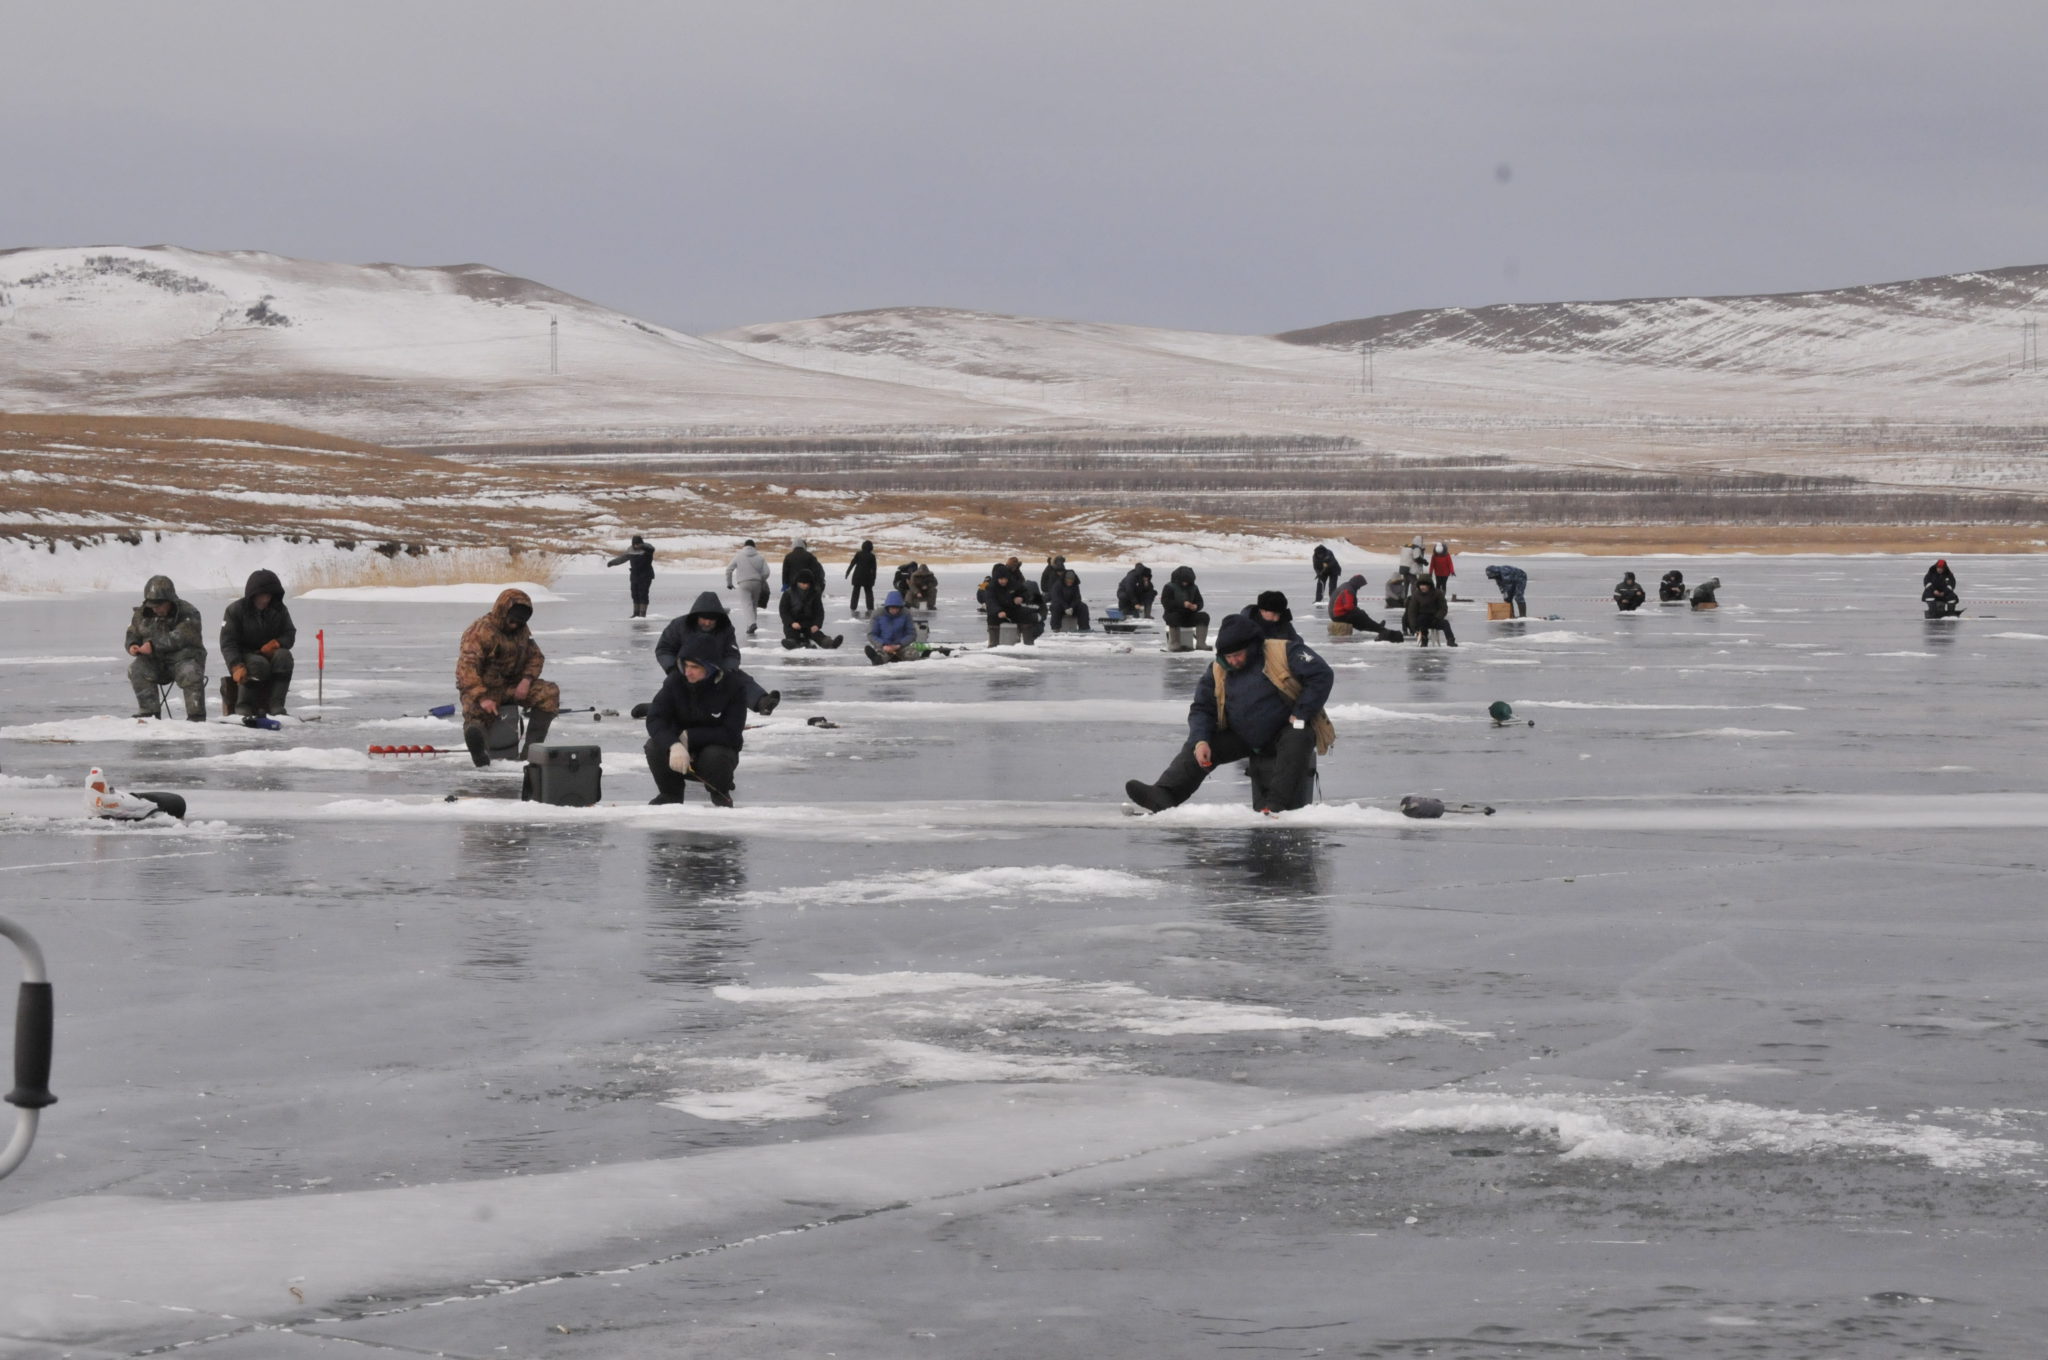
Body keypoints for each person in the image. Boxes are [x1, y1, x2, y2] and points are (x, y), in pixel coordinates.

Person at [1124, 611, 1336, 816]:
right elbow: (1202, 708)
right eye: (1229, 656)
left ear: (1251, 646)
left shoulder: (1283, 652)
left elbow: (1321, 675)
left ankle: (1276, 805)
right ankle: (1165, 793)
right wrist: (1200, 741)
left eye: (1238, 655)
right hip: (1243, 735)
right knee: (1202, 743)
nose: (1233, 661)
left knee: (1298, 738)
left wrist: (1301, 712)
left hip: (1285, 730)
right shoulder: (1218, 668)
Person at [642, 631, 747, 808]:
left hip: (715, 754)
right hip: (679, 753)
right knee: (654, 746)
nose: (688, 672)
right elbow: (655, 718)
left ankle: (720, 792)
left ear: (711, 667)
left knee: (715, 755)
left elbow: (732, 733)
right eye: (686, 665)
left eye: (695, 667)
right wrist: (673, 744)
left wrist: (691, 736)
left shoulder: (733, 687)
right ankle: (670, 794)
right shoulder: (675, 681)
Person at [455, 588, 559, 767]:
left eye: (520, 622)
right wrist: (482, 697)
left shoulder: (522, 630)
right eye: (512, 621)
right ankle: (479, 752)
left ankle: (531, 754)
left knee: (549, 693)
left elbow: (536, 657)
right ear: (503, 612)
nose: (515, 625)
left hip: (512, 686)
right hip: (485, 689)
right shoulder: (480, 631)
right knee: (475, 715)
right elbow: (466, 669)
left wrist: (526, 680)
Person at [656, 592, 780, 714]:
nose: (708, 623)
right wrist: (673, 668)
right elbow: (664, 649)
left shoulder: (725, 628)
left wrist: (727, 671)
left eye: (712, 620)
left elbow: (732, 653)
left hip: (713, 669)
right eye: (704, 619)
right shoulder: (679, 625)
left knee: (737, 678)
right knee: (675, 687)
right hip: (687, 669)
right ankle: (659, 707)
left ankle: (761, 701)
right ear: (696, 616)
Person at [124, 574, 208, 721]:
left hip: (183, 660)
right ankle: (149, 713)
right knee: (136, 668)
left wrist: (152, 645)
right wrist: (133, 645)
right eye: (153, 607)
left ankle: (196, 716)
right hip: (155, 663)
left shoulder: (189, 612)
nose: (156, 610)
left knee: (191, 672)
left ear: (170, 601)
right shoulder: (141, 614)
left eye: (159, 606)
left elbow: (181, 637)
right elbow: (132, 633)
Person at [218, 568, 296, 723]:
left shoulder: (279, 609)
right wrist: (236, 666)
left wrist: (277, 643)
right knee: (257, 663)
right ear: (252, 595)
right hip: (244, 655)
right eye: (261, 595)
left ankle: (276, 705)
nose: (265, 599)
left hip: (269, 654)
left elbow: (289, 633)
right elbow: (228, 643)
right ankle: (243, 706)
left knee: (284, 656)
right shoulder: (235, 610)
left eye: (269, 595)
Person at [983, 560, 1043, 646]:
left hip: (1013, 609)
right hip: (997, 613)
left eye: (1005, 579)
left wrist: (1021, 598)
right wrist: (998, 611)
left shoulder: (1013, 584)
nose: (1003, 581)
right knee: (992, 619)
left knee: (1028, 616)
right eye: (1001, 579)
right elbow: (991, 602)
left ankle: (1028, 644)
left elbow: (1025, 592)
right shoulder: (991, 587)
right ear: (997, 578)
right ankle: (993, 645)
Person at [779, 568, 841, 648]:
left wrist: (817, 624)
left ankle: (830, 643)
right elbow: (783, 611)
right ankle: (793, 644)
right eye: (803, 583)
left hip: (808, 624)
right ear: (798, 582)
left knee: (817, 634)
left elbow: (819, 612)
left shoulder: (814, 594)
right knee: (792, 635)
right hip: (793, 624)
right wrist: (791, 622)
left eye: (808, 583)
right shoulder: (788, 593)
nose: (806, 585)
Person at [1329, 574, 1399, 641]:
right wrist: (1358, 611)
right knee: (1362, 616)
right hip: (1339, 615)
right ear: (1357, 583)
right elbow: (1349, 607)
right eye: (1360, 585)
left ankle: (1377, 627)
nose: (1359, 588)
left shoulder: (1346, 586)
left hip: (1335, 614)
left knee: (1360, 619)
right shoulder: (1348, 590)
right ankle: (1380, 629)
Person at [725, 539, 772, 635]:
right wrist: (761, 579)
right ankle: (750, 625)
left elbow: (729, 570)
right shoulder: (760, 557)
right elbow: (767, 572)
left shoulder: (739, 556)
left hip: (743, 583)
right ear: (754, 547)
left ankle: (751, 624)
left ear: (744, 546)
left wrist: (729, 583)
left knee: (746, 604)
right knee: (753, 605)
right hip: (757, 583)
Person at [865, 591, 923, 663]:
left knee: (912, 655)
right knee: (880, 656)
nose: (894, 610)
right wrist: (883, 645)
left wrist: (899, 645)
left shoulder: (906, 613)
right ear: (887, 606)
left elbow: (912, 634)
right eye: (892, 608)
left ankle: (899, 657)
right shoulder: (878, 614)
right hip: (884, 646)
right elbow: (871, 634)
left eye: (897, 608)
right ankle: (878, 659)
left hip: (901, 646)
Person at [606, 535, 656, 617]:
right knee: (634, 594)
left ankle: (642, 614)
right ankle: (636, 613)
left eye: (638, 544)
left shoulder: (647, 550)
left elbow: (651, 548)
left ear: (641, 543)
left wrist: (642, 546)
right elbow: (622, 558)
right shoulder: (631, 551)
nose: (636, 546)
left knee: (643, 593)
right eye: (635, 544)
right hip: (635, 575)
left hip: (646, 575)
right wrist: (612, 562)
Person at [1161, 566, 1209, 648]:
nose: (1185, 583)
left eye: (1187, 582)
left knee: (1204, 616)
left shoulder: (1194, 588)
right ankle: (1175, 643)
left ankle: (1201, 643)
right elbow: (1166, 603)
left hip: (1189, 616)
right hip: (1173, 616)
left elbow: (1200, 602)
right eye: (1183, 581)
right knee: (1173, 617)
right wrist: (1182, 604)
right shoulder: (1169, 587)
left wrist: (1196, 606)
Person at [1404, 577, 1457, 646]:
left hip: (1434, 618)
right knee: (1422, 619)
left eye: (1424, 585)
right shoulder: (1416, 595)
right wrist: (1414, 626)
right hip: (1421, 619)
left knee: (1445, 623)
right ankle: (1424, 639)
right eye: (1421, 585)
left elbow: (1443, 608)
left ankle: (1450, 640)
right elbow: (1412, 612)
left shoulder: (1437, 593)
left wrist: (1437, 617)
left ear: (1429, 585)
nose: (1422, 587)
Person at [845, 539, 879, 616]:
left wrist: (848, 572)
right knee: (869, 592)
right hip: (867, 578)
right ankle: (870, 608)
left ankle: (853, 607)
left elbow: (852, 563)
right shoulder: (872, 556)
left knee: (855, 592)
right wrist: (873, 579)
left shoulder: (859, 554)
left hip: (857, 576)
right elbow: (874, 569)